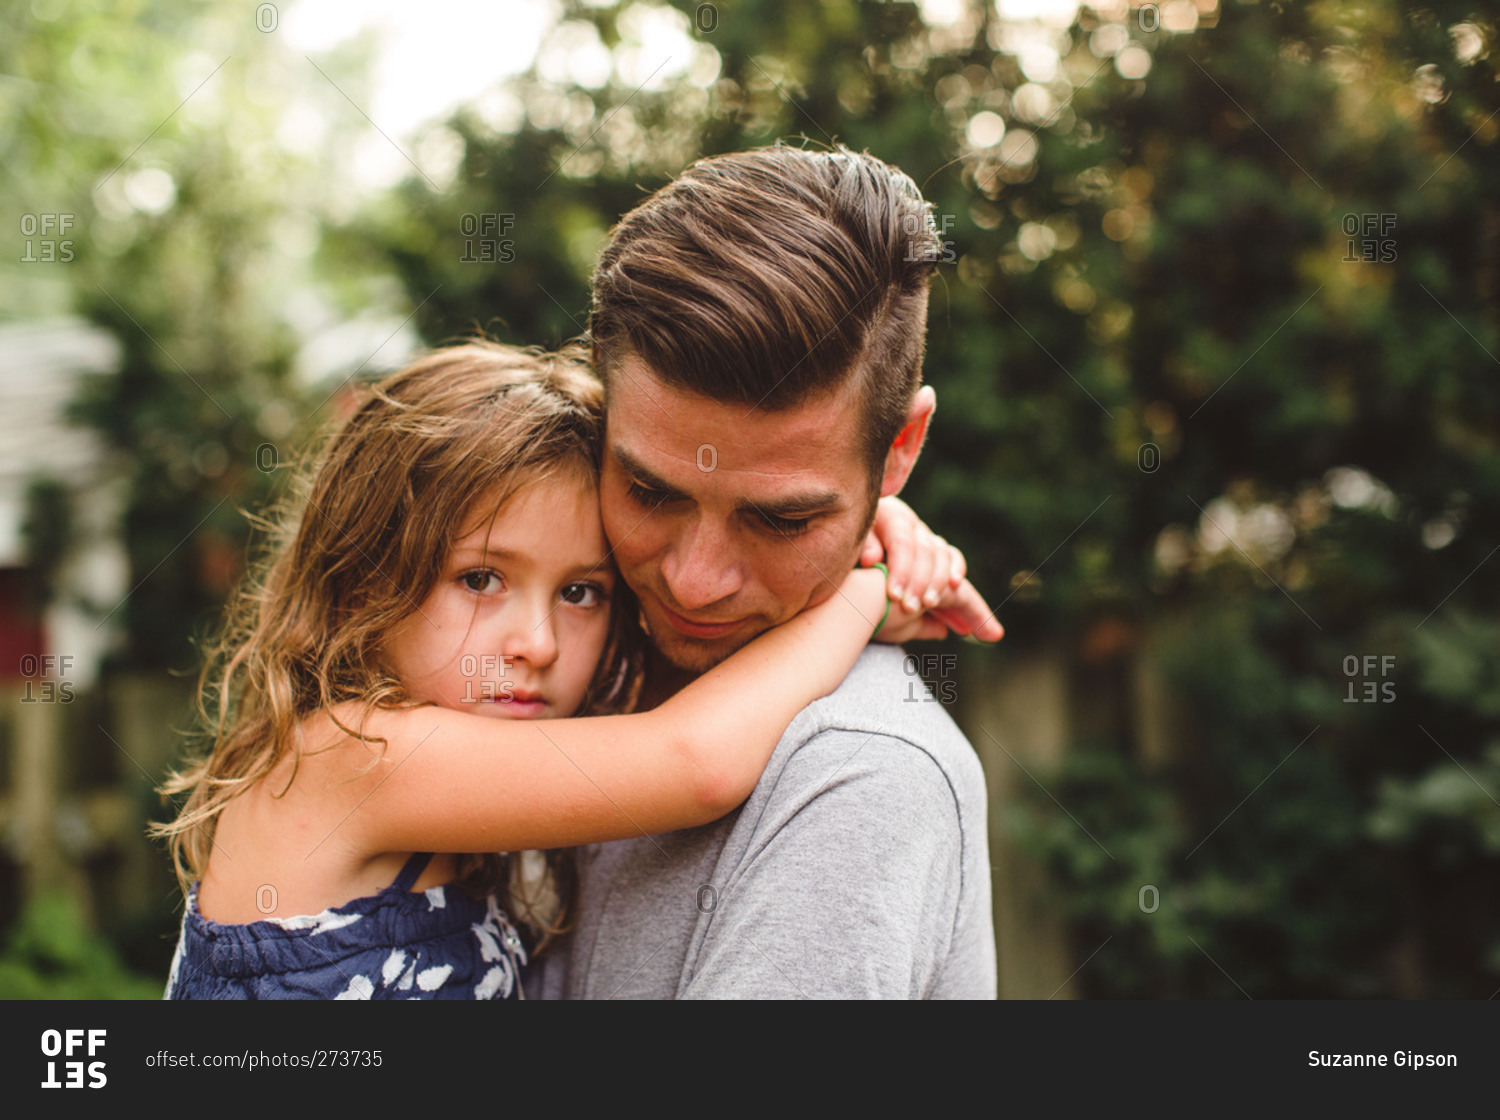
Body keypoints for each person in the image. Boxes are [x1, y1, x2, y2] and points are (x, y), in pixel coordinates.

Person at [152, 341, 960, 1000]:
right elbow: (695, 760)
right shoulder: (349, 756)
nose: (536, 642)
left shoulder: (467, 767)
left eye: (580, 592)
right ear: (367, 576)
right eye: (480, 579)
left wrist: (841, 518)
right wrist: (866, 596)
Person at [537, 143, 1002, 999]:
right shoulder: (544, 658)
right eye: (649, 490)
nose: (694, 581)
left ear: (899, 450)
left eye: (781, 518)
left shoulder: (859, 781)